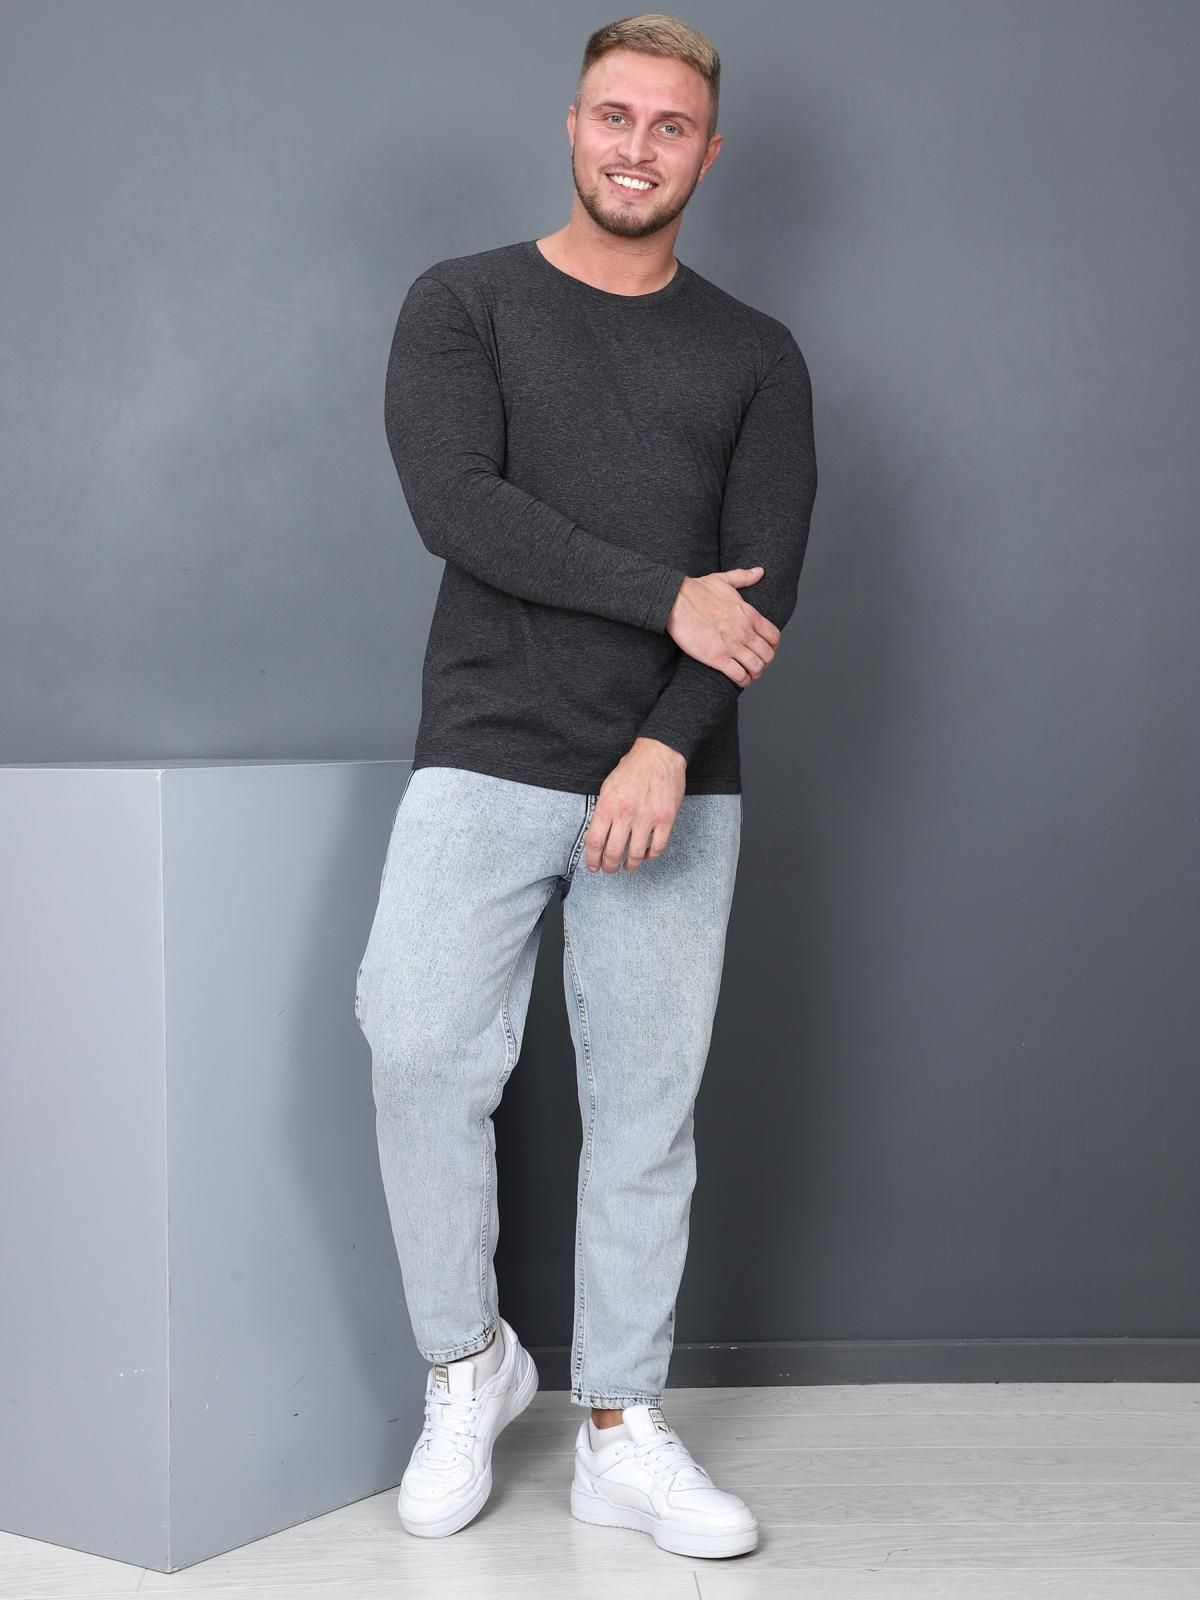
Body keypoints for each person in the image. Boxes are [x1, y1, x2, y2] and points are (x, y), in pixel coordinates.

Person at [354, 11, 817, 1561]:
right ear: (572, 126)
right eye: (615, 116)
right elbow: (457, 505)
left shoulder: (755, 356)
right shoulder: (466, 304)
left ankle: (621, 1428)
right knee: (419, 1041)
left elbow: (761, 591)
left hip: (675, 775)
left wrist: (667, 742)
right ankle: (466, 1365)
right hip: (490, 742)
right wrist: (662, 593)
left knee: (644, 1111)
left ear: (707, 152)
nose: (638, 147)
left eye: (670, 126)